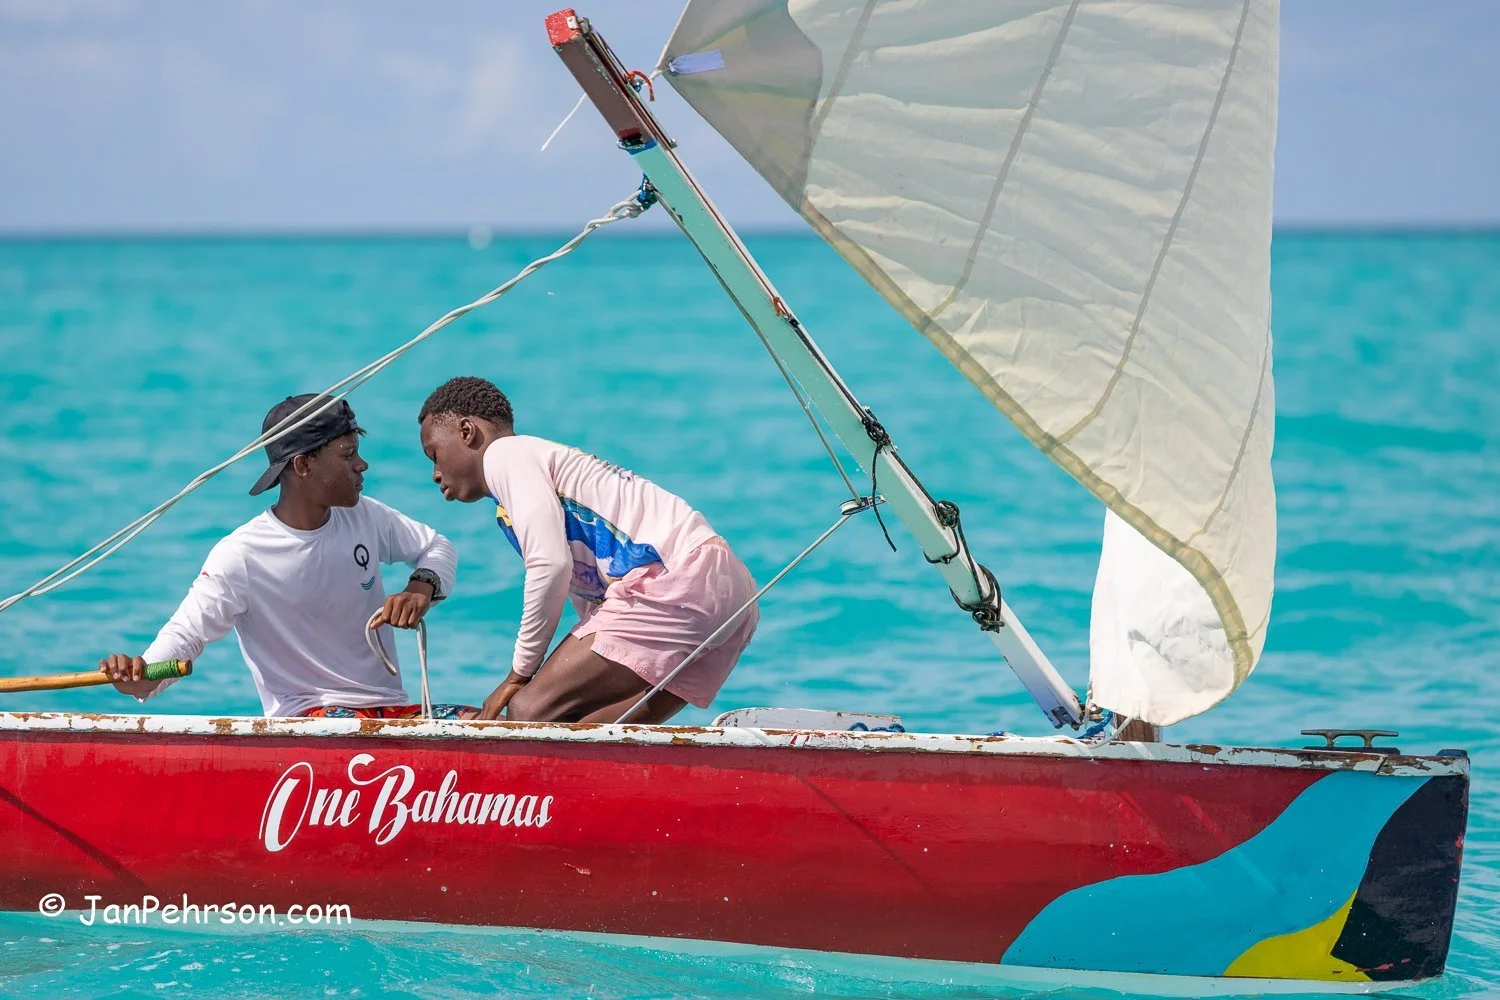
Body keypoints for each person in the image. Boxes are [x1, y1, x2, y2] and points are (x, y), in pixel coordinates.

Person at [99, 394, 476, 720]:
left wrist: (420, 587)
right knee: (345, 726)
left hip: (386, 712)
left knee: (489, 719)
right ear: (302, 465)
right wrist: (141, 674)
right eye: (348, 455)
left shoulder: (365, 515)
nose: (362, 465)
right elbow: (183, 640)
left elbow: (437, 547)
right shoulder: (241, 555)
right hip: (311, 719)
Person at [416, 376, 758, 724]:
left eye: (435, 455)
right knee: (590, 729)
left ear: (466, 431)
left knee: (529, 710)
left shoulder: (505, 455)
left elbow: (549, 566)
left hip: (678, 577)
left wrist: (519, 675)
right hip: (731, 593)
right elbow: (593, 598)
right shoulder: (529, 484)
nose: (435, 473)